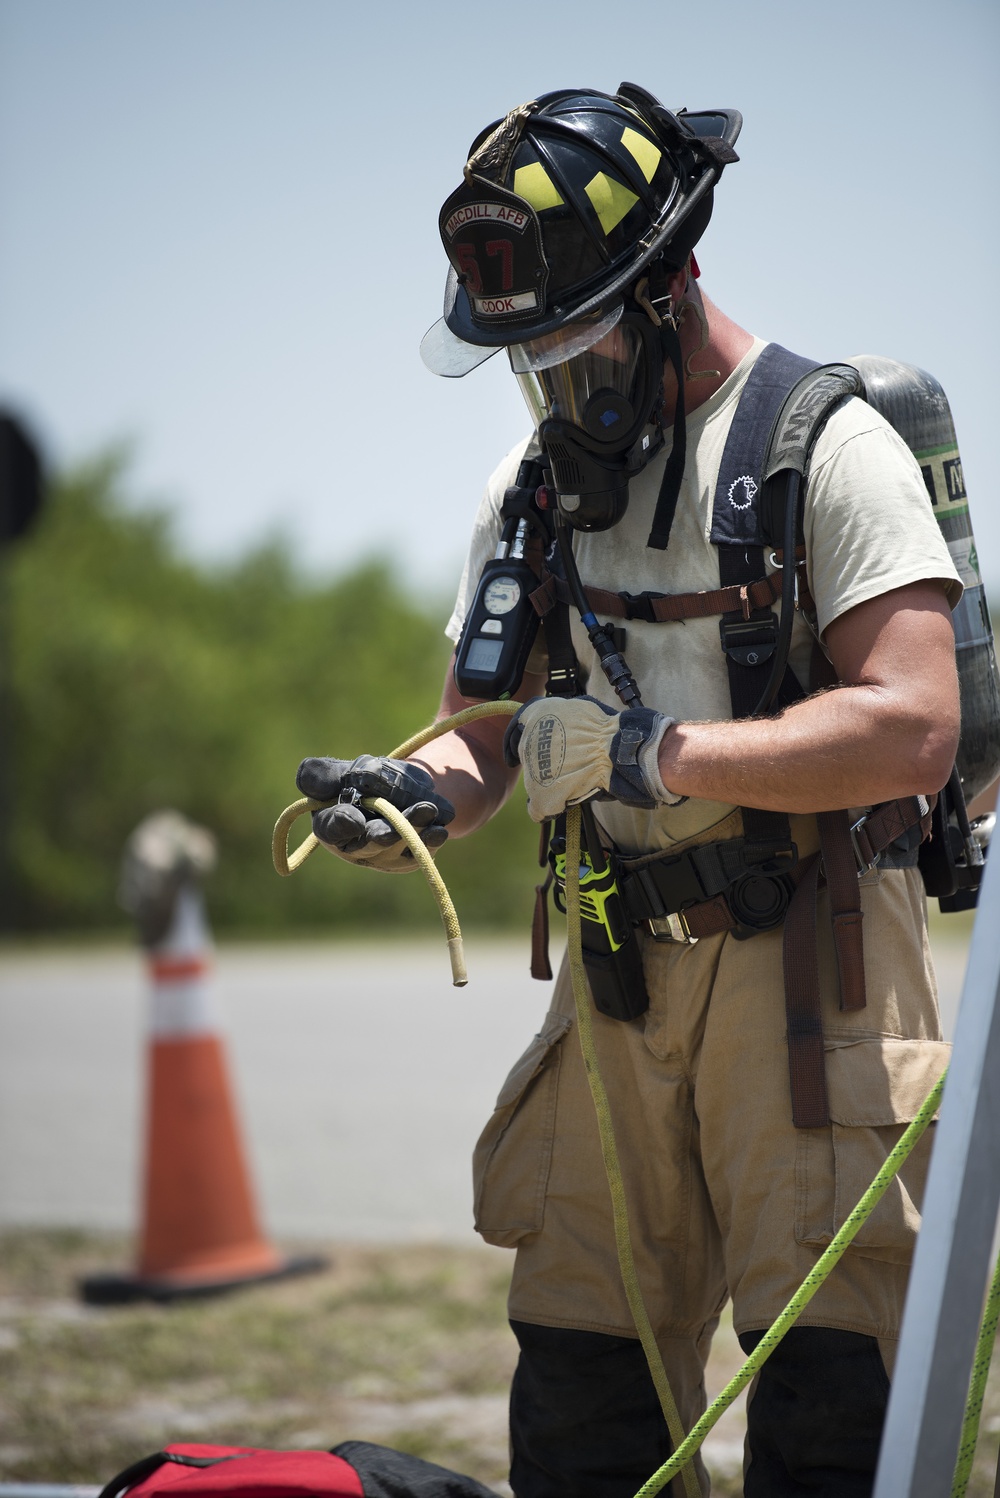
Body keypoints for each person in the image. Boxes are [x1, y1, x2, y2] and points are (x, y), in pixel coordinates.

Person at [297, 87, 962, 1497]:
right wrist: (414, 792)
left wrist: (655, 752)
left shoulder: (825, 448)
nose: (554, 384)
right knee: (584, 1402)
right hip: (614, 986)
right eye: (524, 357)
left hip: (817, 977)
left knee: (829, 1413)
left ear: (671, 282)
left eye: (575, 342)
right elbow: (484, 733)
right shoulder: (533, 488)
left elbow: (915, 725)